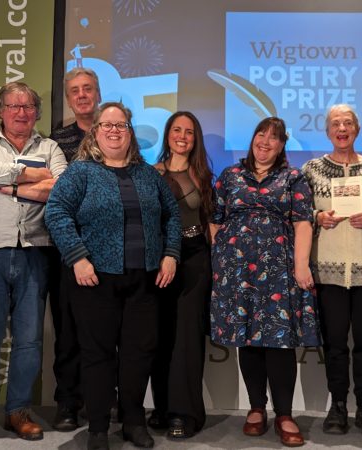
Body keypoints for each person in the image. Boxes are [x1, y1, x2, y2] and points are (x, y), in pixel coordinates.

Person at [44, 102, 181, 450]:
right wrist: (77, 257)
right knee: (97, 354)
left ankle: (134, 421)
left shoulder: (148, 175)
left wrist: (170, 254)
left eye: (121, 125)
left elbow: (173, 217)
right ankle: (99, 428)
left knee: (138, 354)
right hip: (95, 279)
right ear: (96, 132)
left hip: (144, 280)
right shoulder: (80, 173)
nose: (114, 130)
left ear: (130, 132)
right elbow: (56, 211)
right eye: (107, 125)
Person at [0, 82, 67, 447]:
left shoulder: (50, 147)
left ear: (37, 112)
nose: (21, 112)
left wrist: (9, 184)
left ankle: (19, 410)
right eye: (13, 106)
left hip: (35, 251)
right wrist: (30, 174)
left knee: (29, 340)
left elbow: (60, 186)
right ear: (1, 110)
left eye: (28, 107)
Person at [210, 117, 320, 447]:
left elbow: (303, 223)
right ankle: (257, 408)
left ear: (283, 145)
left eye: (275, 138)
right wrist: (222, 259)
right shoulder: (230, 176)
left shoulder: (293, 177)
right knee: (248, 338)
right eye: (261, 134)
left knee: (279, 340)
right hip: (237, 271)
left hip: (279, 269)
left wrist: (301, 266)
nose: (266, 142)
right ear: (253, 138)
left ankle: (284, 414)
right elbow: (215, 220)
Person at [302, 104, 362, 438]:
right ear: (327, 132)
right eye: (336, 123)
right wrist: (316, 217)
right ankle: (337, 404)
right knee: (335, 343)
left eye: (348, 122)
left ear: (357, 128)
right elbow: (297, 211)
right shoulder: (312, 169)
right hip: (328, 272)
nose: (342, 128)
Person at [148, 112, 213, 438]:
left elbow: (211, 224)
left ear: (195, 137)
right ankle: (161, 408)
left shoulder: (203, 176)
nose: (183, 136)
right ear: (168, 134)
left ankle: (185, 414)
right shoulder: (150, 173)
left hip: (195, 260)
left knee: (187, 338)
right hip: (159, 263)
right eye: (177, 130)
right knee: (159, 337)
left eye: (189, 131)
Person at [49, 67, 101, 432]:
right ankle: (68, 402)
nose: (81, 95)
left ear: (98, 93)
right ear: (68, 98)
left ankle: (102, 400)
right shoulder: (56, 140)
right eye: (75, 91)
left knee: (103, 332)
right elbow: (56, 190)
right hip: (67, 250)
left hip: (108, 250)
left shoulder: (116, 132)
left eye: (87, 89)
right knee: (67, 332)